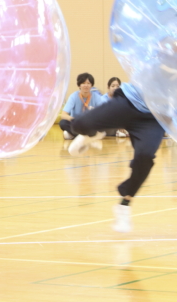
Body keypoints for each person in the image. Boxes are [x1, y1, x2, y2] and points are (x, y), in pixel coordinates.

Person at [67, 82, 165, 233]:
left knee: (145, 157)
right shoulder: (168, 60)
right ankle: (94, 133)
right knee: (78, 124)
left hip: (154, 118)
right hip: (128, 102)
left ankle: (124, 206)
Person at [58, 73, 109, 140]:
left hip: (90, 123)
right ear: (79, 85)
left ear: (91, 85)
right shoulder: (73, 96)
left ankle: (74, 135)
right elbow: (63, 115)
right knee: (63, 123)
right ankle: (87, 136)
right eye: (83, 83)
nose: (86, 85)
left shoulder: (97, 97)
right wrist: (74, 119)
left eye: (88, 83)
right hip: (77, 123)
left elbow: (103, 113)